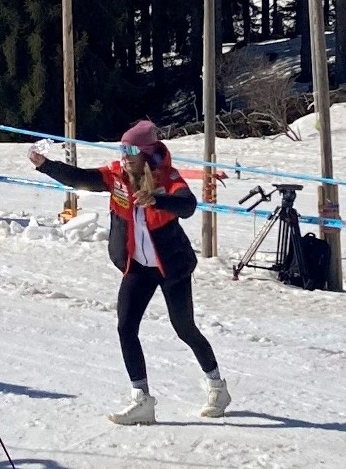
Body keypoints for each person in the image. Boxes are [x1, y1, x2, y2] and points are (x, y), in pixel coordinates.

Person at [29, 120, 232, 425]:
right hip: (138, 267)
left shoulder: (167, 177)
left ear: (148, 152)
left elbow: (187, 204)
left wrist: (157, 199)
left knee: (184, 329)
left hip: (171, 267)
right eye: (122, 148)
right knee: (126, 328)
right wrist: (46, 165)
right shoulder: (116, 175)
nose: (125, 154)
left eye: (132, 149)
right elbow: (81, 178)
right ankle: (142, 400)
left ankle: (217, 387)